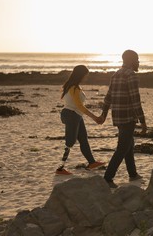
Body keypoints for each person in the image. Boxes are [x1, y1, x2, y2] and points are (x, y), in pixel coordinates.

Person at [98, 50, 147, 188]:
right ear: (131, 60)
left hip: (118, 117)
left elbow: (108, 97)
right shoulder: (131, 75)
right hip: (127, 117)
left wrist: (104, 114)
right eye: (137, 59)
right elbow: (135, 100)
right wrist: (143, 121)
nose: (138, 62)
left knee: (128, 145)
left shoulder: (116, 75)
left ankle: (133, 174)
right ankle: (108, 178)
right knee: (122, 147)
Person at [57, 65, 105, 175]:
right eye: (85, 75)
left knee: (83, 139)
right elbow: (79, 106)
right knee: (70, 141)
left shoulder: (75, 86)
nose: (86, 77)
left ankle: (92, 163)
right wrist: (94, 117)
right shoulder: (73, 87)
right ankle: (60, 168)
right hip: (71, 114)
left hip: (76, 115)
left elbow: (78, 106)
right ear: (80, 75)